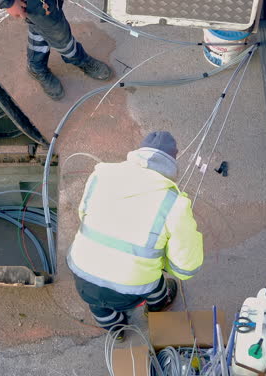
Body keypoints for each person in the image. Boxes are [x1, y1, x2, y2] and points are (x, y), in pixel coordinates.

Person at [68, 131, 204, 331]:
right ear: (171, 163)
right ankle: (157, 306)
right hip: (130, 290)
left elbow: (83, 215)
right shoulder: (174, 203)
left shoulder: (100, 175)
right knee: (153, 279)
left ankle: (117, 331)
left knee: (98, 305)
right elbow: (186, 268)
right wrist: (162, 262)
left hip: (83, 276)